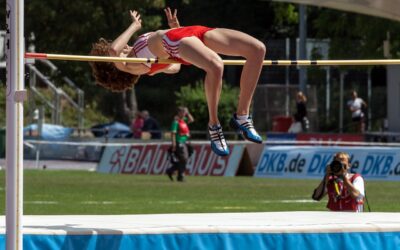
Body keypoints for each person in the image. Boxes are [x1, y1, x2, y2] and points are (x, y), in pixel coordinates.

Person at [89, 8, 266, 156]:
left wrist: (176, 29)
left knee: (257, 50)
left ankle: (242, 116)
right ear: (115, 67)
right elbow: (113, 50)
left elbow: (175, 68)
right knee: (216, 66)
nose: (123, 46)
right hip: (176, 40)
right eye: (121, 49)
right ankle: (214, 125)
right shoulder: (128, 65)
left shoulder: (147, 65)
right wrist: (134, 26)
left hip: (190, 33)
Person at [166, 107, 194, 182]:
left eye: (185, 112)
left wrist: (188, 113)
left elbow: (191, 120)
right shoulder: (176, 122)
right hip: (179, 142)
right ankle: (180, 175)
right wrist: (174, 144)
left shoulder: (183, 120)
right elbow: (173, 134)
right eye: (183, 112)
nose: (184, 114)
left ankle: (172, 171)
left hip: (185, 142)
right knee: (184, 159)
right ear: (179, 113)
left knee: (184, 159)